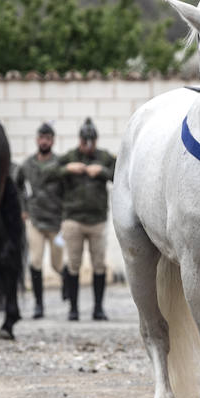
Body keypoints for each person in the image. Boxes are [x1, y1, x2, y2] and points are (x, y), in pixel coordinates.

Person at [50, 117, 116, 321]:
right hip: (73, 219)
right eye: (84, 141)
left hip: (96, 219)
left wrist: (102, 172)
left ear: (95, 141)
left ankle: (98, 308)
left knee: (99, 265)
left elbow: (119, 174)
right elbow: (48, 174)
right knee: (73, 264)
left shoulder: (104, 157)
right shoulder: (69, 156)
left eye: (91, 142)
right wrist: (67, 169)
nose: (87, 145)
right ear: (79, 140)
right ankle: (74, 308)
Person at [15, 122, 65, 319]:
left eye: (48, 138)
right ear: (37, 140)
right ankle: (38, 304)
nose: (44, 141)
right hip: (35, 219)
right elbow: (17, 185)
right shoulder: (28, 165)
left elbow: (68, 188)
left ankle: (68, 285)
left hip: (56, 221)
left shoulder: (60, 163)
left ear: (52, 141)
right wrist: (23, 208)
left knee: (57, 264)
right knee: (35, 261)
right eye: (41, 138)